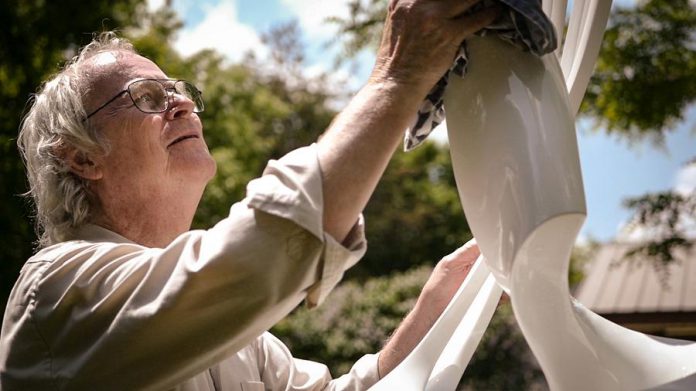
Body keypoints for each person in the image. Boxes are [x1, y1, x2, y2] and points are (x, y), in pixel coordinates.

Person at [0, 0, 499, 389]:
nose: (180, 104)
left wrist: (439, 301)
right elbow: (261, 251)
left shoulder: (247, 346)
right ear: (82, 157)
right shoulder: (56, 293)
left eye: (178, 91)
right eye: (145, 98)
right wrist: (398, 75)